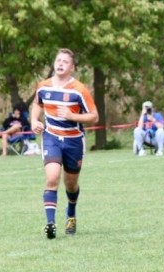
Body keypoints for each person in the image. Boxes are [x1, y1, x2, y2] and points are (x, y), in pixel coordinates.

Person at [31, 48, 99, 239]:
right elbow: (37, 103)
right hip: (51, 137)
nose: (60, 64)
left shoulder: (79, 90)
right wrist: (35, 121)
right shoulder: (44, 86)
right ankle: (50, 223)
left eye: (65, 62)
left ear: (72, 67)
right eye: (58, 60)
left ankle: (71, 213)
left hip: (74, 141)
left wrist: (71, 116)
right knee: (52, 178)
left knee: (71, 184)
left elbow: (94, 117)